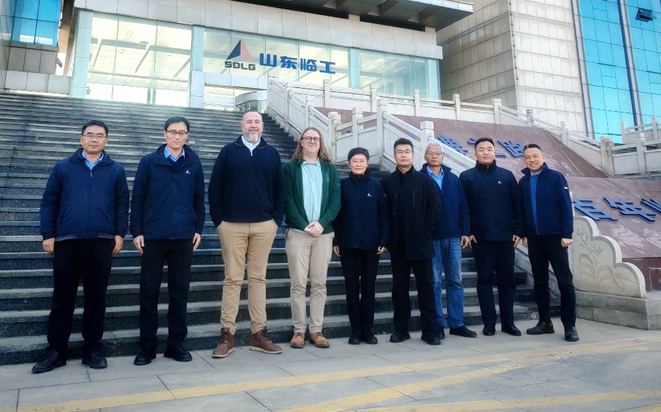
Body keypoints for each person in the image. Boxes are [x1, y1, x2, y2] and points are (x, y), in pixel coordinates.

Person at [33, 120, 129, 373]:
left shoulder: (116, 170)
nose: (94, 139)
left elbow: (122, 204)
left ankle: (92, 349)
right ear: (81, 139)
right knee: (62, 299)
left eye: (100, 135)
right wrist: (48, 234)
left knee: (96, 299)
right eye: (90, 135)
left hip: (102, 241)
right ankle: (56, 351)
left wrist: (119, 234)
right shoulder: (63, 168)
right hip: (67, 240)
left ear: (106, 140)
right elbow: (49, 202)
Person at [208, 111, 286, 358]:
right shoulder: (228, 151)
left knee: (258, 279)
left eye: (257, 121)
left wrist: (275, 221)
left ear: (262, 126)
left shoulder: (271, 153)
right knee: (232, 278)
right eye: (249, 121)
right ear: (242, 125)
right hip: (231, 225)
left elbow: (280, 189)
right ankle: (227, 335)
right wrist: (219, 221)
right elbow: (215, 187)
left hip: (264, 225)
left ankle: (258, 334)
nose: (253, 125)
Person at [131, 116, 205, 366]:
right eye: (173, 132)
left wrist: (198, 228)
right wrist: (137, 231)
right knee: (149, 292)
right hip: (153, 236)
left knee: (179, 292)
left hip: (183, 237)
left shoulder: (193, 163)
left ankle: (175, 345)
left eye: (182, 133)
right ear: (164, 133)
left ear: (187, 135)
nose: (177, 136)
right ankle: (147, 347)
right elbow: (138, 199)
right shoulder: (149, 162)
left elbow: (199, 199)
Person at [381, 138, 443, 345]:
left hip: (421, 244)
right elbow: (382, 212)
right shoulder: (387, 182)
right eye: (399, 152)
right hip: (397, 245)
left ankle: (430, 331)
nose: (403, 155)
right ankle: (401, 330)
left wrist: (425, 230)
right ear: (394, 155)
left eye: (407, 151)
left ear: (413, 155)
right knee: (399, 289)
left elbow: (436, 207)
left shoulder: (425, 181)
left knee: (426, 287)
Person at [460, 137, 524, 337]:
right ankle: (489, 323)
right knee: (484, 281)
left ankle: (508, 323)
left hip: (506, 238)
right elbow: (463, 207)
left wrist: (519, 231)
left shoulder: (507, 176)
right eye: (481, 149)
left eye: (489, 149)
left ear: (494, 152)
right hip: (481, 239)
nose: (486, 152)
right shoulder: (467, 177)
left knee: (507, 281)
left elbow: (517, 205)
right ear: (475, 153)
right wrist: (467, 231)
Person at [284, 127, 341, 349]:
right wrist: (303, 224)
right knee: (298, 284)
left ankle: (316, 330)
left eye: (315, 138)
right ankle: (299, 330)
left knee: (319, 284)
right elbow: (287, 199)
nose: (312, 141)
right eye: (307, 138)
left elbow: (335, 200)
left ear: (321, 142)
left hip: (323, 234)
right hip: (299, 233)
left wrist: (322, 223)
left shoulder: (329, 169)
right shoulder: (290, 168)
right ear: (301, 142)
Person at [519, 144, 579, 342]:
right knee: (539, 282)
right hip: (534, 239)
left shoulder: (556, 177)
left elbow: (565, 206)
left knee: (565, 282)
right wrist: (525, 234)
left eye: (535, 156)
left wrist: (567, 233)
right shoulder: (523, 181)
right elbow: (523, 210)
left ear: (543, 157)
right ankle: (545, 323)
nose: (531, 160)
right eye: (527, 157)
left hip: (555, 237)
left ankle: (570, 326)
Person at [332, 148, 389, 345]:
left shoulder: (376, 186)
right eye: (354, 161)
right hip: (347, 245)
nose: (358, 164)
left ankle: (368, 330)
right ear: (349, 164)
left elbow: (384, 216)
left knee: (368, 287)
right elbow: (336, 216)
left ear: (367, 163)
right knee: (351, 288)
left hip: (371, 245)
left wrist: (383, 240)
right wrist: (336, 241)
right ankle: (355, 330)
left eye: (361, 161)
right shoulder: (342, 186)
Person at [421, 141, 477, 339]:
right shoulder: (420, 178)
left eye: (438, 153)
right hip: (431, 238)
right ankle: (437, 323)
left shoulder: (453, 179)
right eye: (431, 153)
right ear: (425, 156)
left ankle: (457, 323)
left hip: (453, 236)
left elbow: (463, 207)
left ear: (443, 156)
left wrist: (465, 231)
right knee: (434, 282)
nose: (434, 156)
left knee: (455, 281)